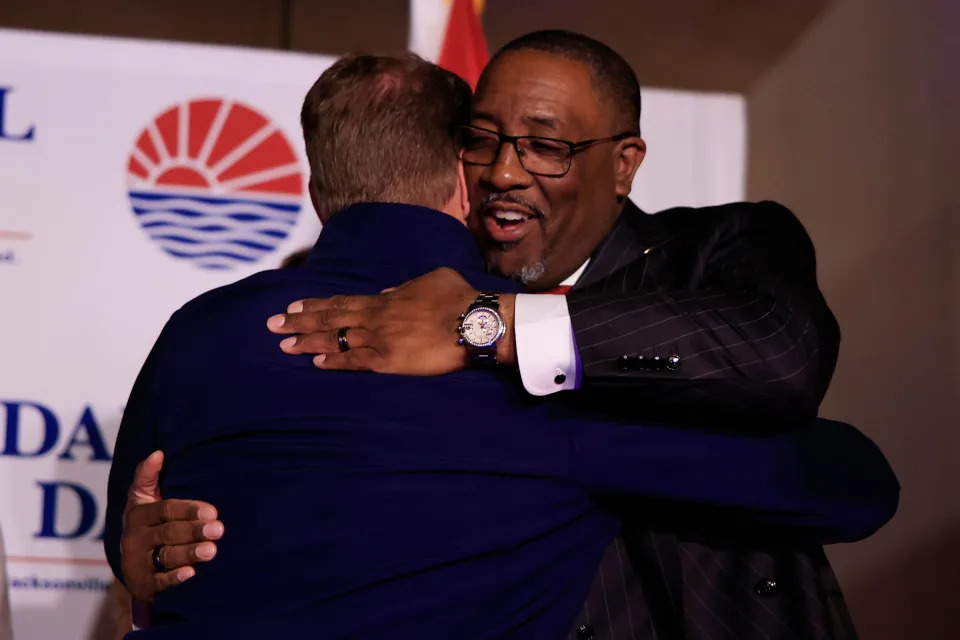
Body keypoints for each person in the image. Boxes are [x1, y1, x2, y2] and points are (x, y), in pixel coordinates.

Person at [111, 37, 897, 640]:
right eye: (485, 142)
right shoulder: (328, 322)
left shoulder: (717, 250)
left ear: (625, 165)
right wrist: (138, 555)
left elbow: (782, 361)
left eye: (545, 145)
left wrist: (490, 325)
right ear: (459, 168)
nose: (506, 173)